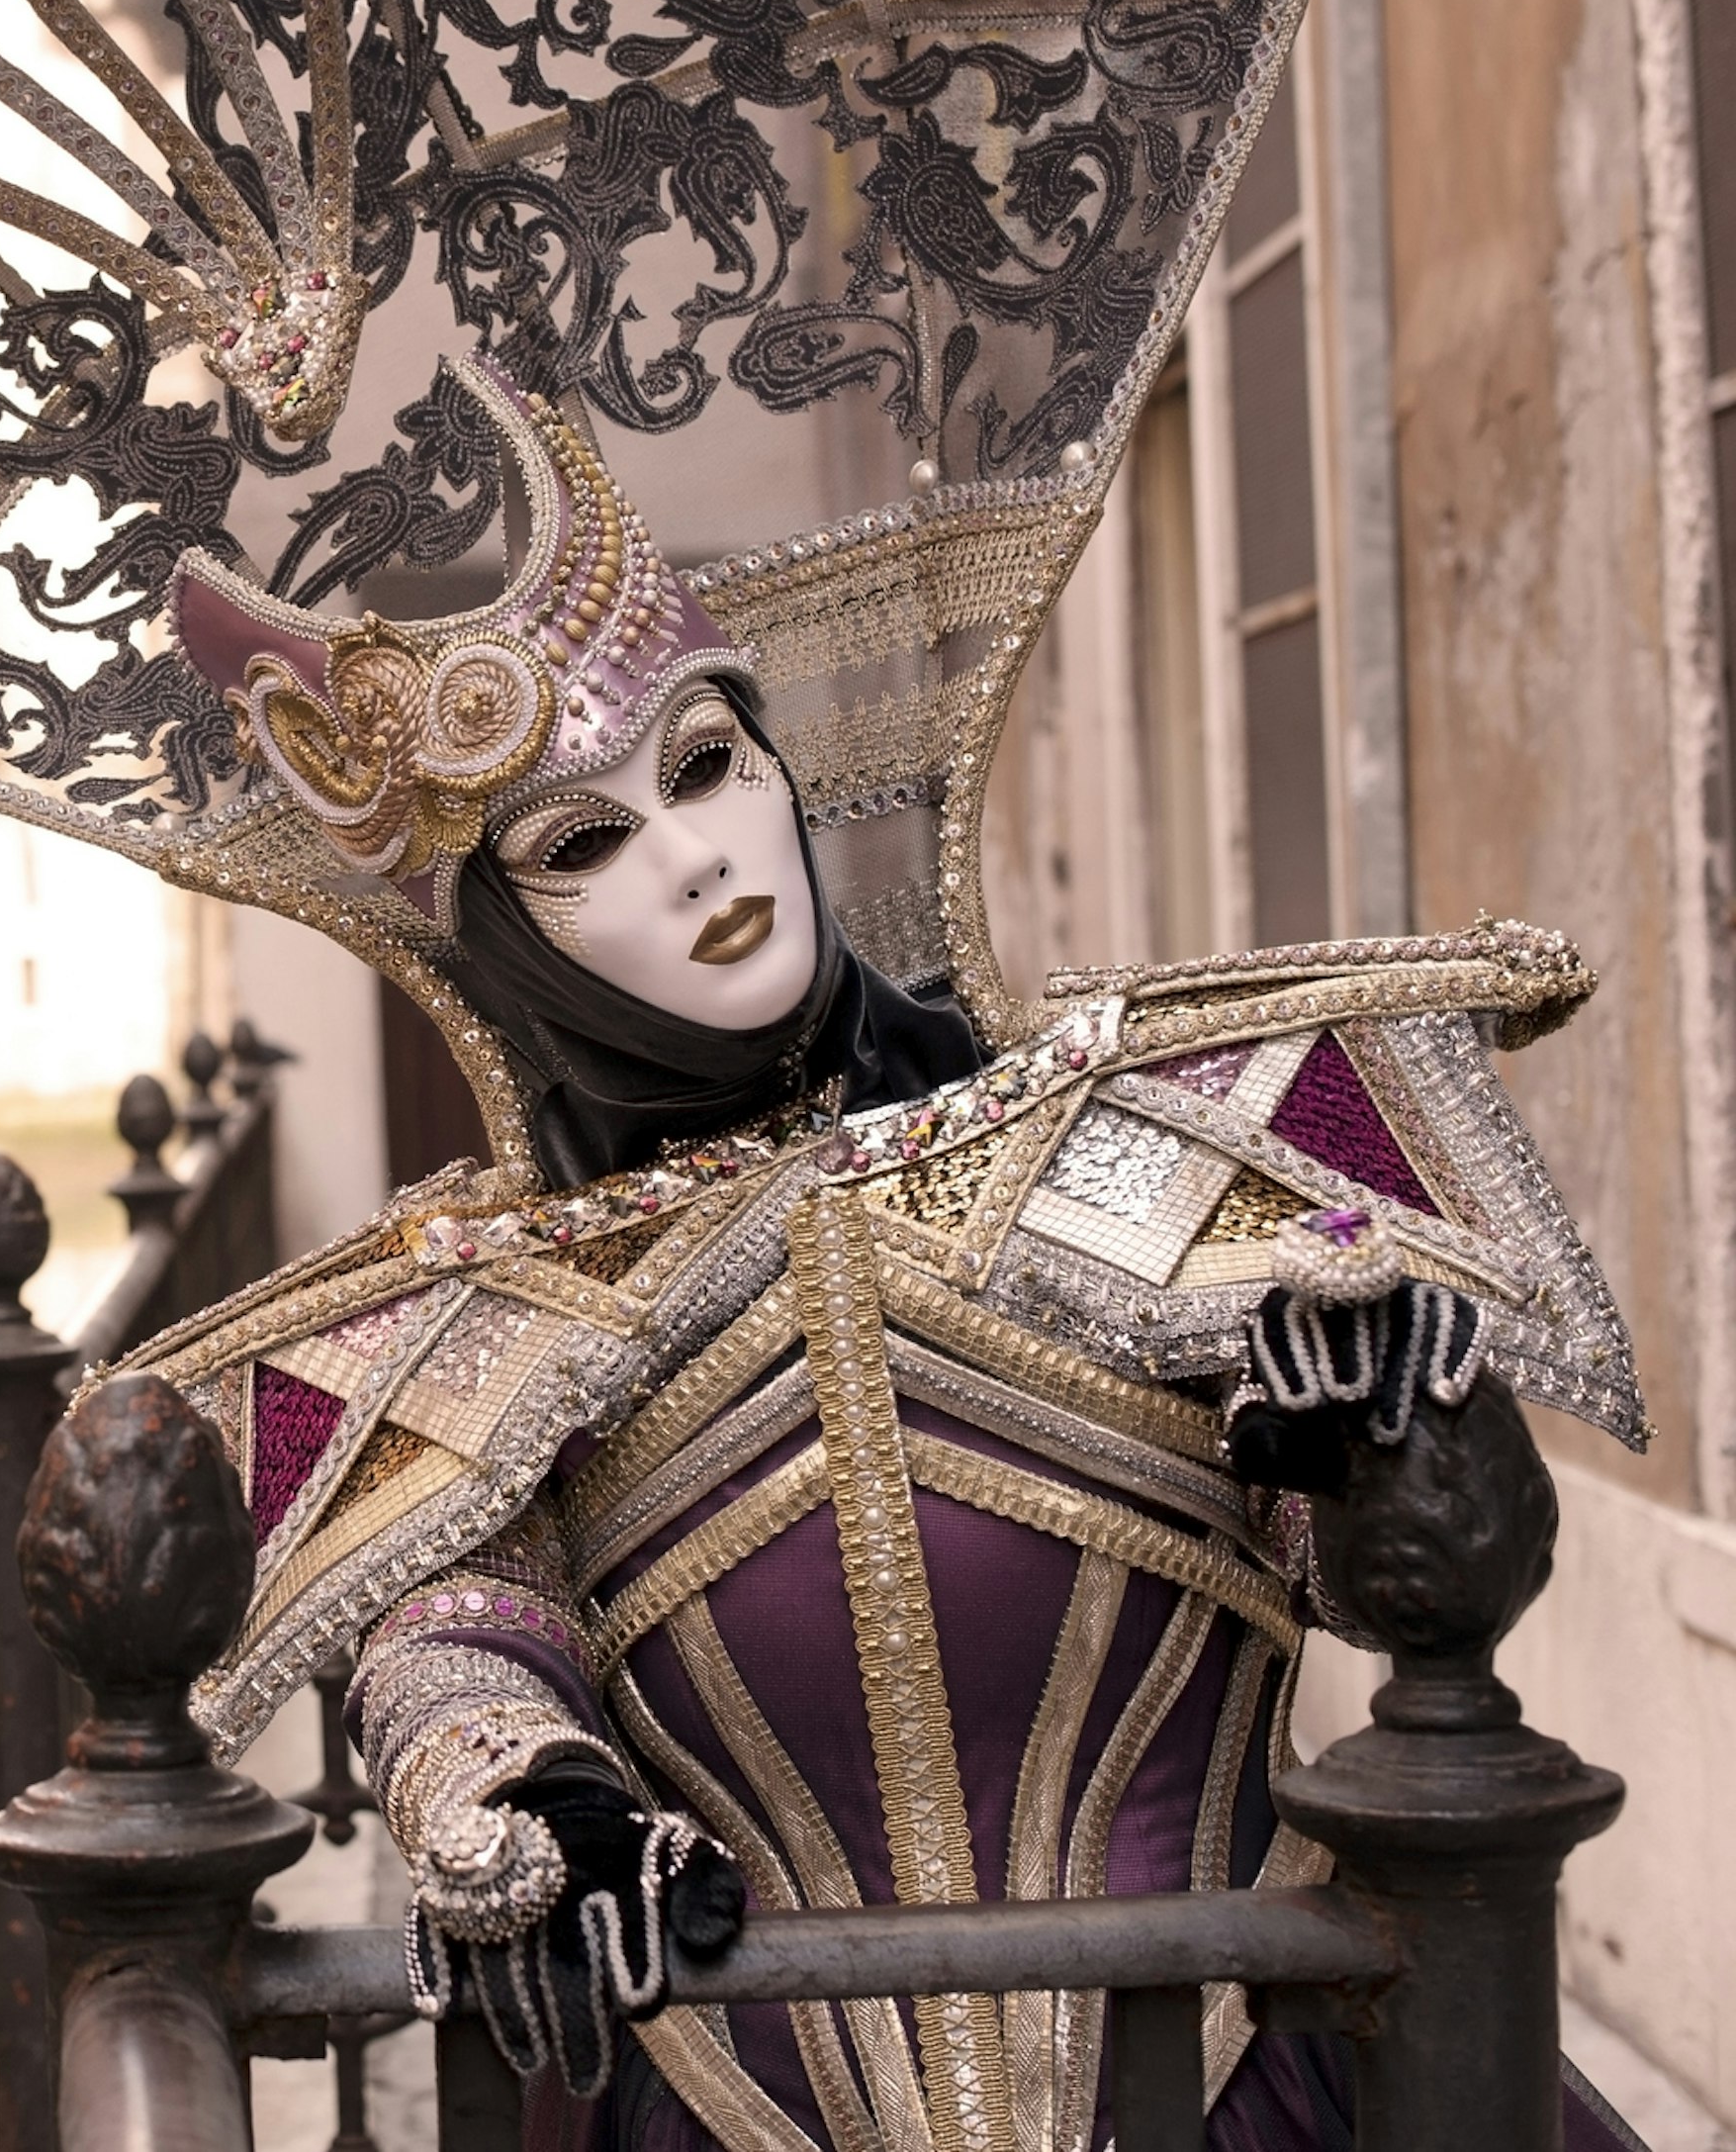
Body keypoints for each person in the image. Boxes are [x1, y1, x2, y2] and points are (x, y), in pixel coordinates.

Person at [121, 358, 1654, 2151]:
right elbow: (460, 1625)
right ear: (501, 945)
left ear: (779, 764)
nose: (695, 861)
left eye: (707, 768)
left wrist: (1369, 1437)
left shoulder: (1126, 1131)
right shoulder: (500, 1295)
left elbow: (1371, 1575)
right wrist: (524, 1798)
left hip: (1242, 2068)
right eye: (589, 842)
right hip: (743, 2100)